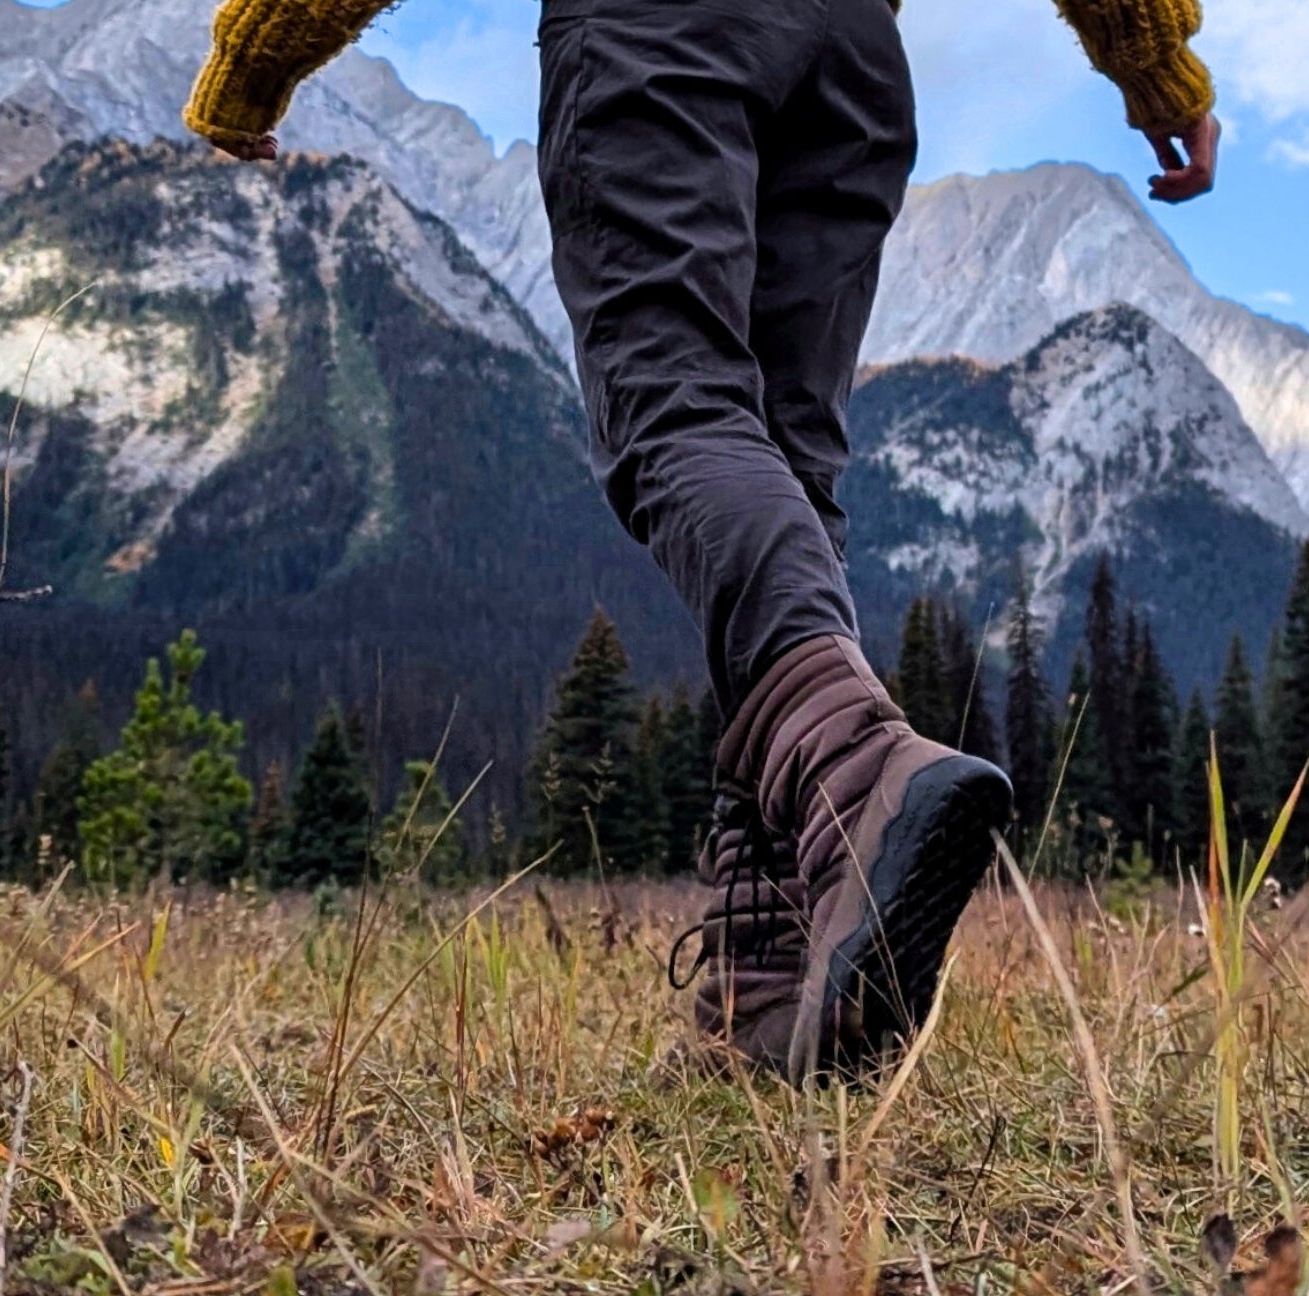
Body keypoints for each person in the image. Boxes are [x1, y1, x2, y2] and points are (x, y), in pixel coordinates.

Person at [184, 0, 1219, 1080]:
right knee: (787, 462)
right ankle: (765, 993)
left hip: (661, 27)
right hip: (850, 55)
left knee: (673, 412)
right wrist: (1156, 66)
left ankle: (853, 776)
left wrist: (260, 55)